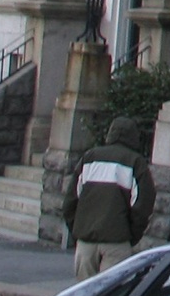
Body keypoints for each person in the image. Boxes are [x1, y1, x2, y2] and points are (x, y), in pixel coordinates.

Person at [65, 116, 156, 279]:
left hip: (86, 241)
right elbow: (143, 205)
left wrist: (78, 230)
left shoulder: (89, 158)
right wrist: (130, 235)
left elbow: (70, 201)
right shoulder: (136, 162)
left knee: (84, 295)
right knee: (111, 294)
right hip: (117, 242)